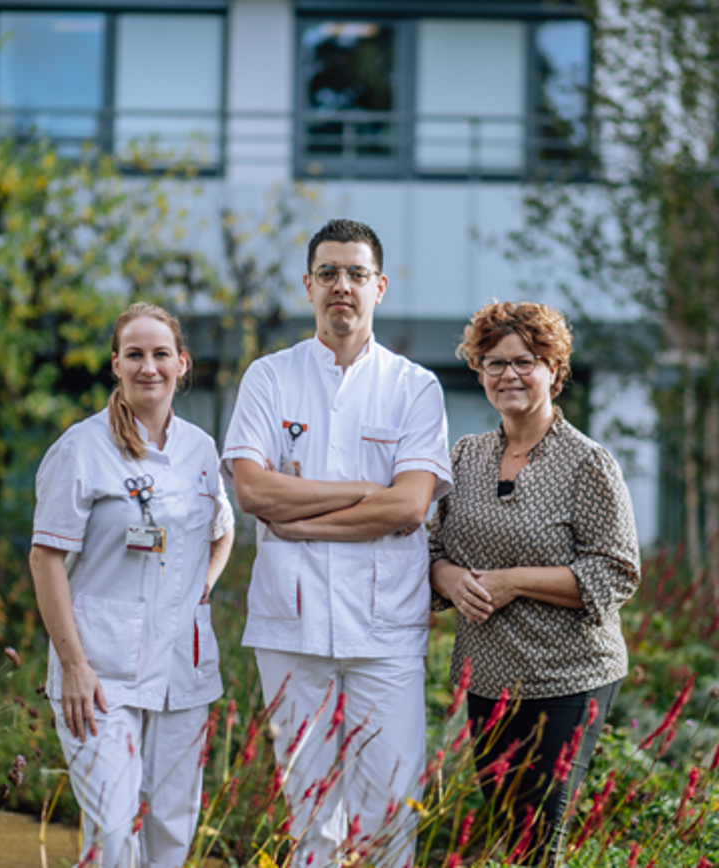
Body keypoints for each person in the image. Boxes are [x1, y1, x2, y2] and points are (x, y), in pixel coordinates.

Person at [220, 218, 453, 867]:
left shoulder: (414, 387)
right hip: (290, 629)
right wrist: (357, 489)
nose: (341, 286)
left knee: (389, 813)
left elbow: (409, 505)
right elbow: (253, 494)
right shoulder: (269, 379)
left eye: (355, 274)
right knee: (310, 815)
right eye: (328, 273)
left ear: (379, 287)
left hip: (385, 635)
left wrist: (302, 520)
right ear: (308, 286)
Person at [429, 301, 640, 865]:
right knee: (507, 828)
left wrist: (514, 582)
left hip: (569, 675)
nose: (508, 376)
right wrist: (448, 578)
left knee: (537, 835)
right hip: (489, 675)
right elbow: (432, 550)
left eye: (524, 361)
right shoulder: (465, 457)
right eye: (493, 363)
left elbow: (616, 571)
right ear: (479, 373)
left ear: (554, 368)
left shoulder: (587, 463)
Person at [29, 302, 234, 868]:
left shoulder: (200, 449)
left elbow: (223, 530)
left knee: (172, 833)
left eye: (161, 354)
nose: (150, 367)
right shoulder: (81, 448)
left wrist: (201, 590)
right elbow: (45, 559)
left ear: (182, 364)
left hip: (182, 672)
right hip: (100, 675)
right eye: (136, 355)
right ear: (115, 364)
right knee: (115, 832)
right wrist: (72, 665)